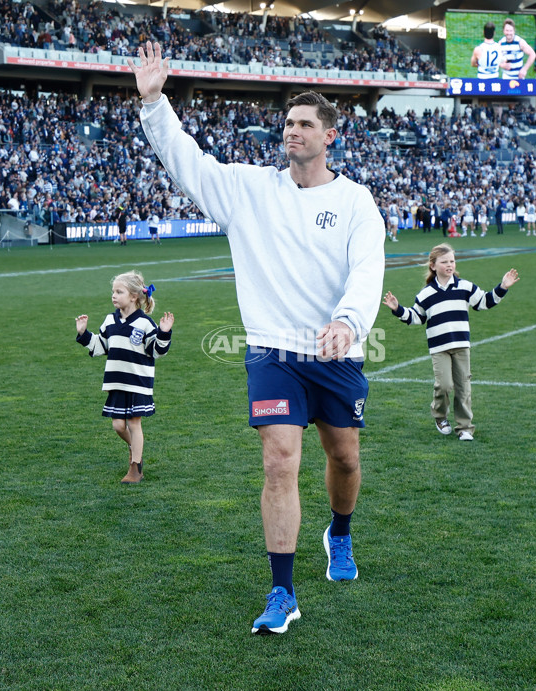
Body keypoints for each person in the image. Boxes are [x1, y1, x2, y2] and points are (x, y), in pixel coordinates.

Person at [128, 41, 385, 635]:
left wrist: (348, 322)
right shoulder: (248, 190)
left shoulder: (354, 202)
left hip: (336, 352)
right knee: (279, 461)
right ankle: (282, 590)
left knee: (343, 456)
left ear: (330, 136)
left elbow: (367, 270)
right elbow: (188, 162)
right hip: (272, 351)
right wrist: (153, 104)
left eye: (304, 124)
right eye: (288, 123)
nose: (292, 131)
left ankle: (339, 533)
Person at [382, 244, 519, 441]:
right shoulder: (426, 294)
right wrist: (398, 309)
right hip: (439, 348)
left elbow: (484, 302)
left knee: (463, 388)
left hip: (461, 345)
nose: (449, 265)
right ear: (433, 265)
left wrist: (502, 287)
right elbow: (416, 317)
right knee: (444, 386)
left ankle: (464, 428)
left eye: (452, 261)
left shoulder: (465, 287)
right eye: (444, 262)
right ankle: (440, 416)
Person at [75, 270, 174, 483]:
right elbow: (100, 346)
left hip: (137, 382)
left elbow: (157, 351)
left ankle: (135, 468)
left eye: (119, 291)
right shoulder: (109, 320)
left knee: (134, 423)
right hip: (116, 381)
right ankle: (134, 449)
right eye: (113, 291)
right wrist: (84, 334)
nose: (113, 295)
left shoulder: (146, 323)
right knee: (118, 426)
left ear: (133, 296)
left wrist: (164, 332)